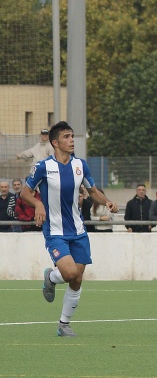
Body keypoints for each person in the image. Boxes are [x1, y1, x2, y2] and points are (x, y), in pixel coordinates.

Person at [21, 121, 119, 337]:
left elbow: (92, 191)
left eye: (72, 136)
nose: (71, 140)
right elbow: (25, 193)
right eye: (66, 137)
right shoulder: (43, 167)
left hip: (78, 230)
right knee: (69, 272)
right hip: (55, 231)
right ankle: (51, 277)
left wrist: (107, 201)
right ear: (55, 142)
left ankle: (64, 325)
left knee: (77, 278)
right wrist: (38, 204)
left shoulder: (80, 165)